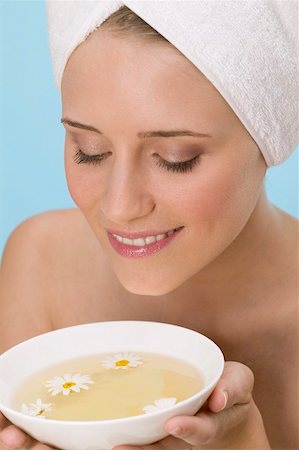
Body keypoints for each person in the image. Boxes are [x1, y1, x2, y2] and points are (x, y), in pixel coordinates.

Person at [0, 3, 298, 450]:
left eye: (176, 158)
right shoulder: (42, 261)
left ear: (267, 137)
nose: (119, 208)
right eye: (89, 150)